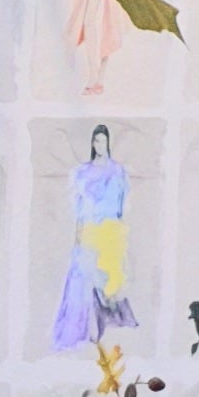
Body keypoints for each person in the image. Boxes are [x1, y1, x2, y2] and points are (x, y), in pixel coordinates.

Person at [52, 126, 139, 350]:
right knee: (84, 278)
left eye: (102, 141)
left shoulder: (117, 171)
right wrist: (78, 234)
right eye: (96, 141)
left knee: (108, 279)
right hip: (90, 229)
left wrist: (117, 233)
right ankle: (88, 328)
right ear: (92, 143)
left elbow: (120, 206)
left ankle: (107, 322)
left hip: (109, 231)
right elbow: (80, 208)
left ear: (108, 143)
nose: (99, 145)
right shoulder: (83, 172)